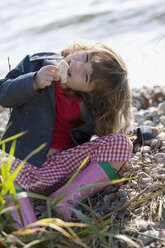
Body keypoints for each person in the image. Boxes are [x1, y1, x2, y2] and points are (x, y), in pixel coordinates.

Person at [0, 40, 133, 226]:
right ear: (82, 49)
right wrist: (34, 81)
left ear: (90, 93)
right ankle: (28, 230)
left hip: (67, 171)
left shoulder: (86, 104)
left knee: (121, 142)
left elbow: (106, 137)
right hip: (32, 169)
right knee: (6, 175)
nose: (78, 66)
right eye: (85, 57)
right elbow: (3, 93)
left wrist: (138, 134)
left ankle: (66, 199)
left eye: (86, 77)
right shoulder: (37, 64)